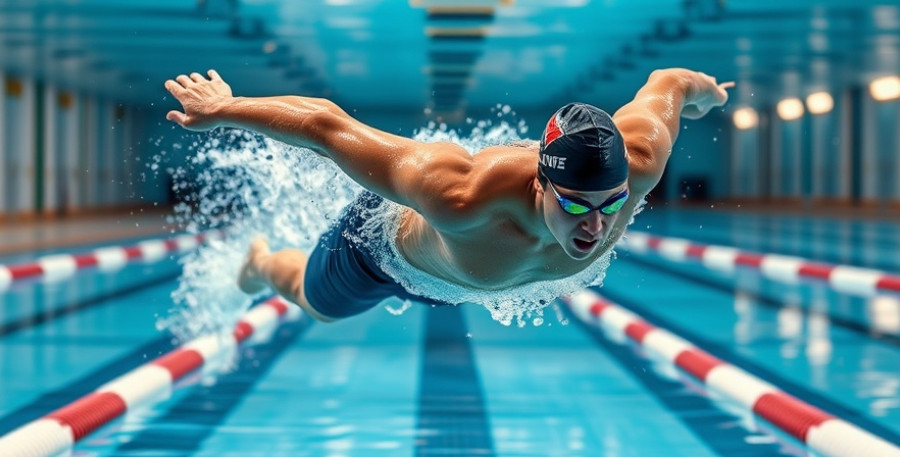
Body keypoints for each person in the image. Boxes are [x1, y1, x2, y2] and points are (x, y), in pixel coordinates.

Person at [164, 68, 733, 323]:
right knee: (321, 309)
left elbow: (672, 82)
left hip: (463, 273)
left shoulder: (639, 166)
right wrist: (224, 110)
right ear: (540, 184)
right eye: (576, 204)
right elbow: (326, 128)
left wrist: (710, 95)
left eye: (610, 203)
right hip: (380, 257)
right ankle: (262, 263)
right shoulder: (459, 193)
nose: (597, 225)